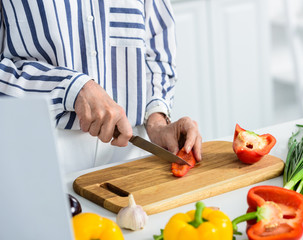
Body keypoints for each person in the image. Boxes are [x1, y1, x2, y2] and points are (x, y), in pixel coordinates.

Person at [0, 0, 202, 173]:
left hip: (134, 150)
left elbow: (156, 46)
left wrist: (157, 121)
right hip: (44, 151)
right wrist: (74, 89)